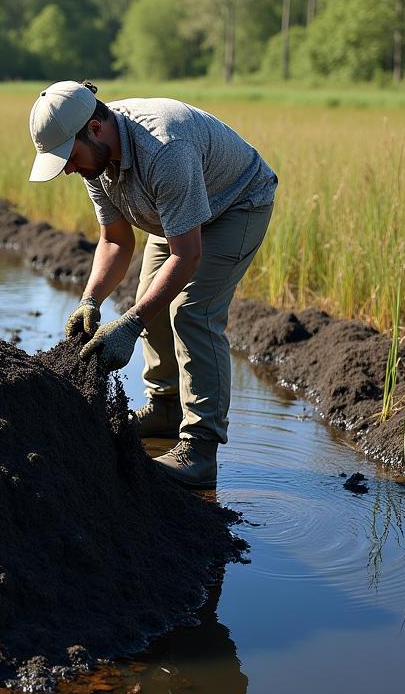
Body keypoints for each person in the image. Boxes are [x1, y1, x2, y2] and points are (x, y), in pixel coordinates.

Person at [28, 81, 277, 489]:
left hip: (235, 204)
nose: (69, 169)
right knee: (150, 297)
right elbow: (115, 240)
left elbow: (188, 253)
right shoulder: (97, 158)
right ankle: (164, 407)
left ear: (94, 128)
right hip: (174, 212)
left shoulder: (164, 149)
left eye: (68, 158)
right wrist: (90, 300)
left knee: (191, 311)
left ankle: (200, 449)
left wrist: (129, 324)